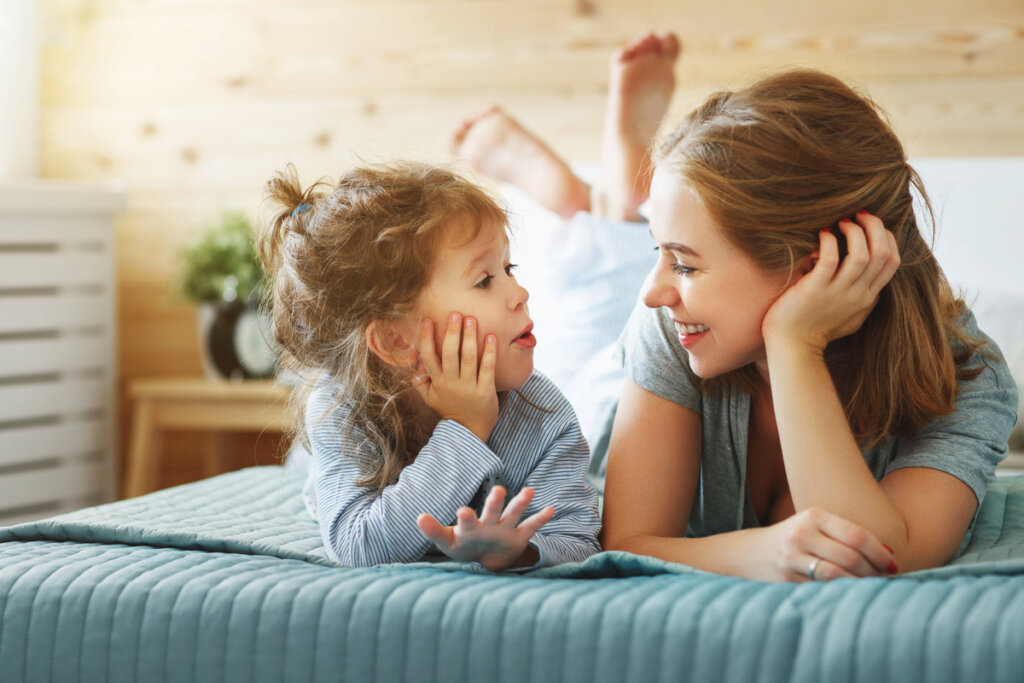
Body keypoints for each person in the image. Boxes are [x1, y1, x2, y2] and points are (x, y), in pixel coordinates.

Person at [452, 32, 1019, 582]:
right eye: (667, 255)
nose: (655, 292)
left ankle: (616, 203)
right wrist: (756, 553)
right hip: (604, 399)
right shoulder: (668, 324)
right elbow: (626, 541)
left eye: (686, 264)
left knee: (615, 284)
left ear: (817, 264)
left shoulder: (968, 378)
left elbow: (879, 560)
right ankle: (602, 193)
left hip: (716, 329)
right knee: (599, 310)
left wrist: (796, 345)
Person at [259, 162, 601, 571]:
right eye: (484, 280)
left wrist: (520, 550)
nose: (521, 293)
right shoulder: (340, 408)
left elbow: (579, 539)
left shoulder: (543, 414)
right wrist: (464, 429)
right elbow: (359, 546)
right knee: (311, 469)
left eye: (509, 270)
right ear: (396, 340)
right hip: (333, 457)